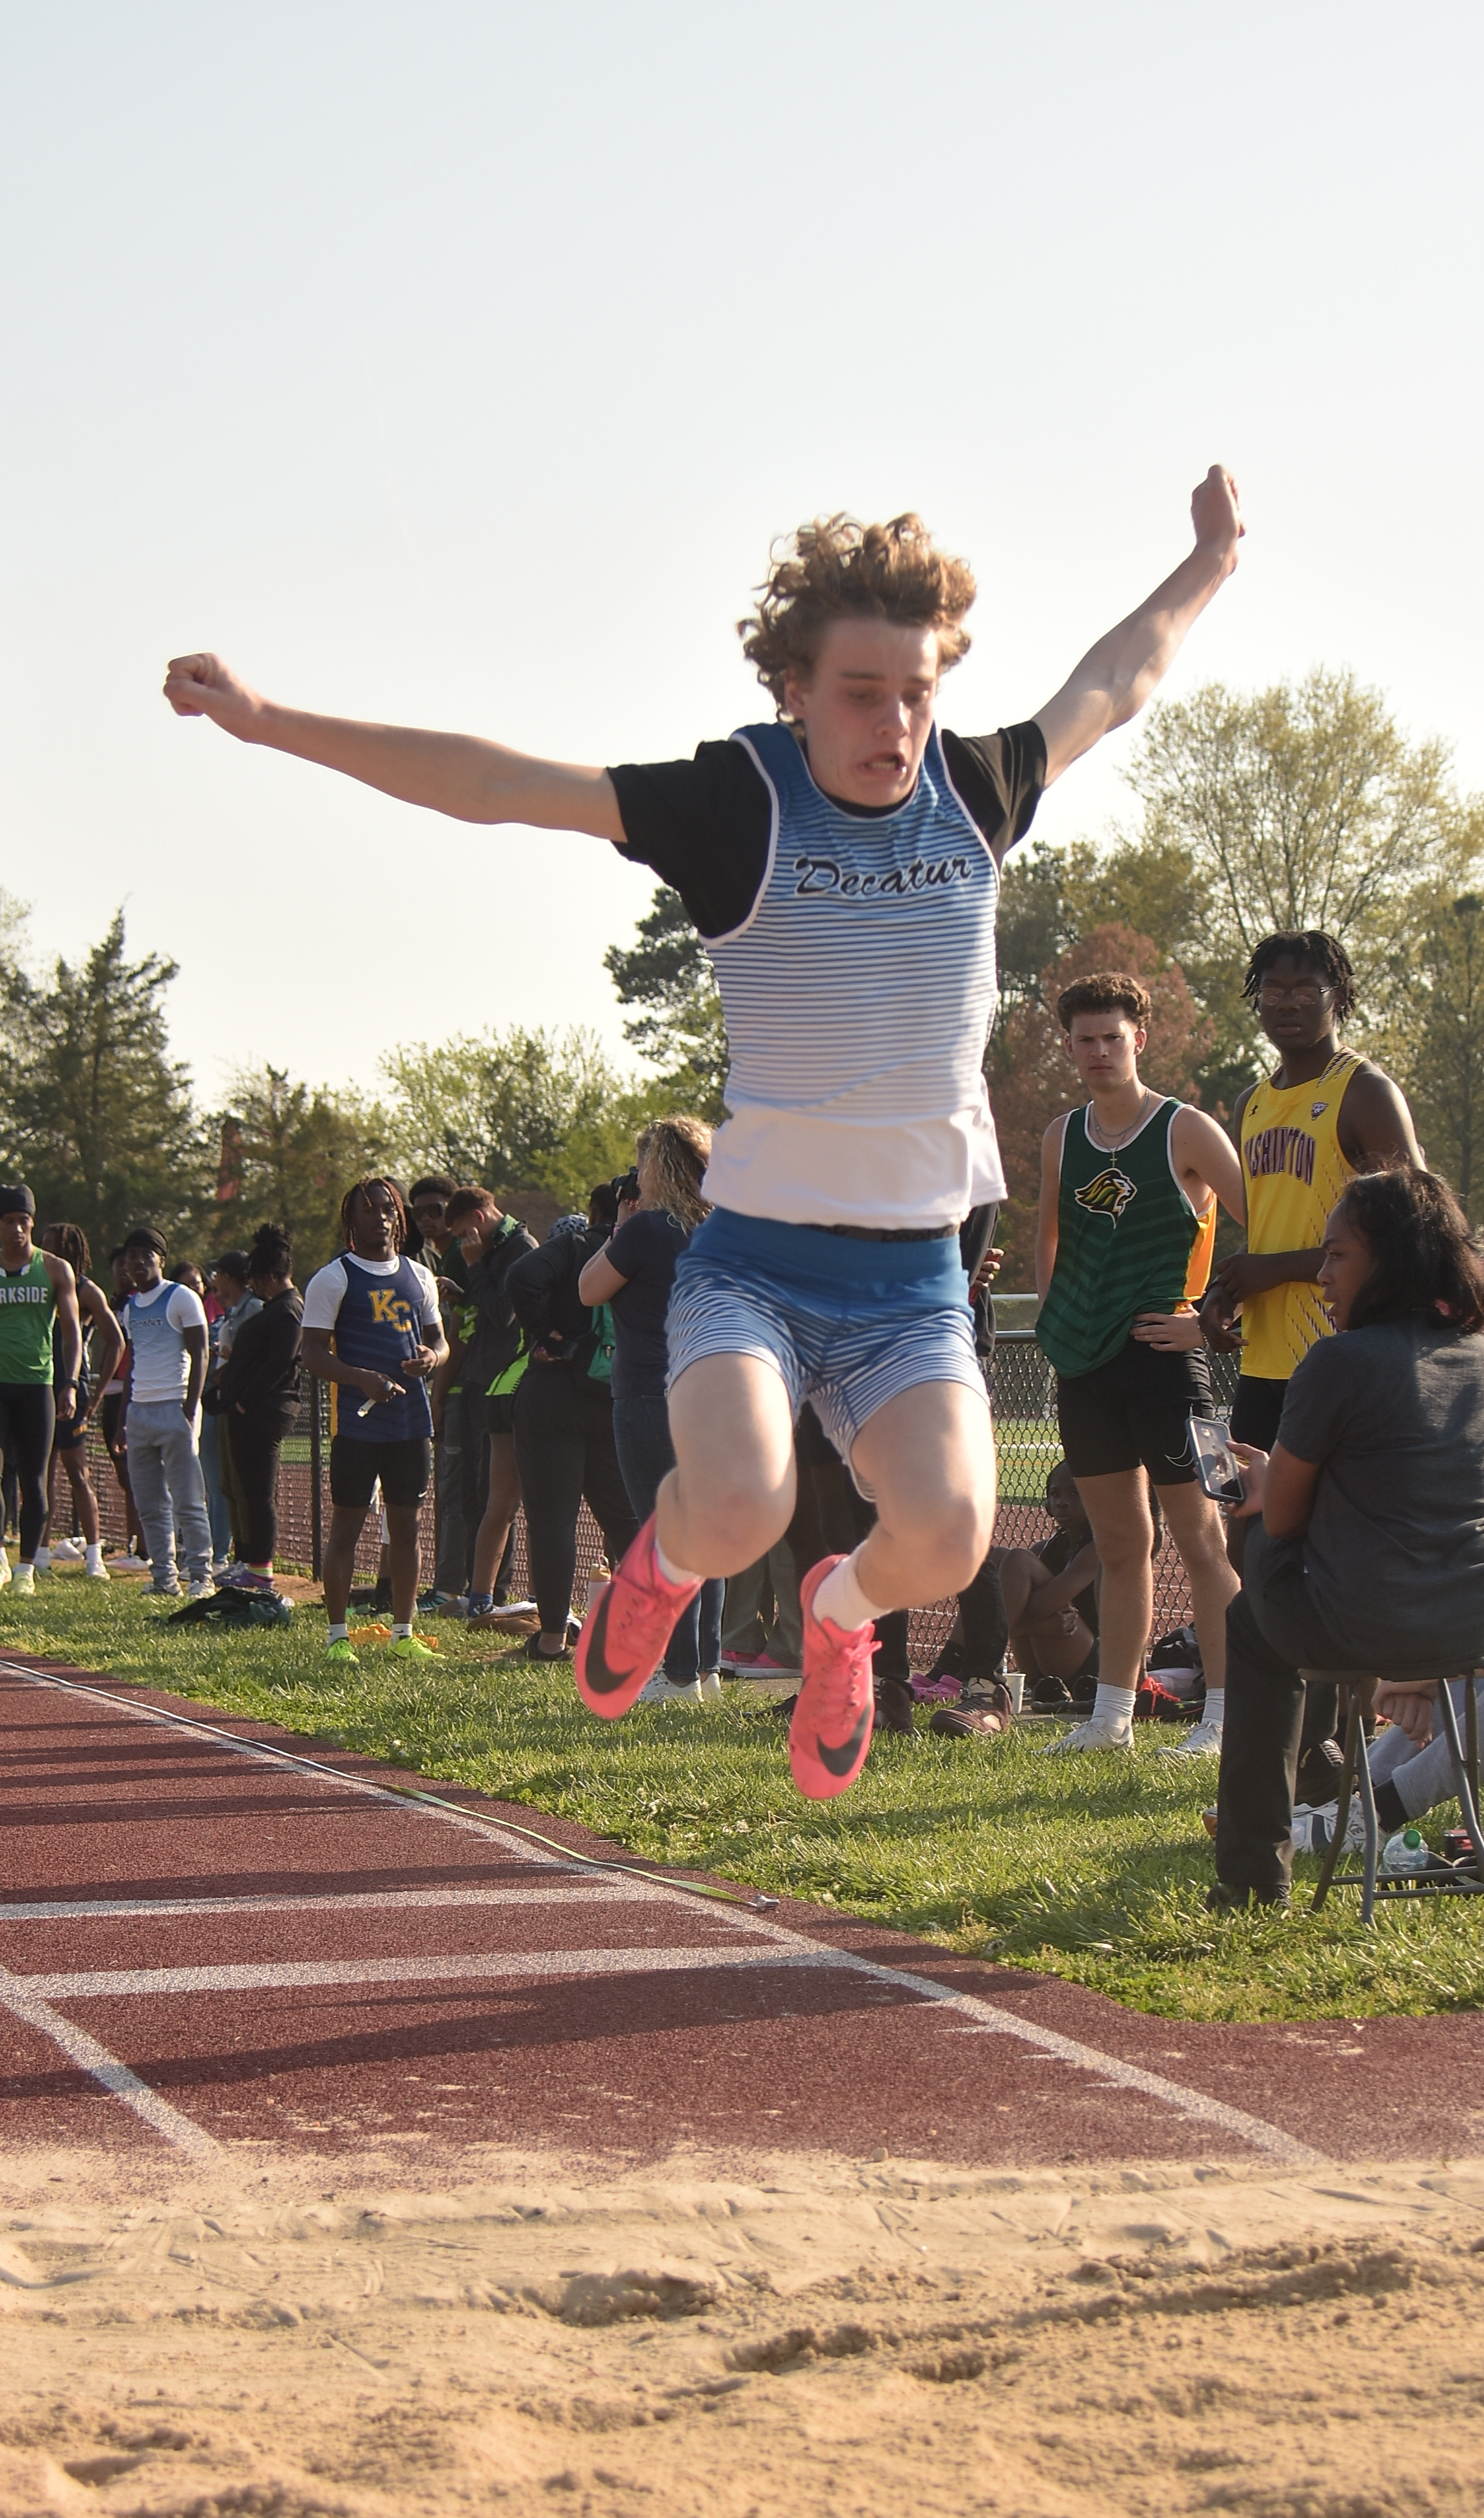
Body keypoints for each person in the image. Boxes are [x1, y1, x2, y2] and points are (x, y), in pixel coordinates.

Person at [165, 465, 1244, 1801]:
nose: (896, 722)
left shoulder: (975, 787)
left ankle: (843, 1616)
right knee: (743, 1505)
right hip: (762, 1261)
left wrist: (1210, 563)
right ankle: (662, 1570)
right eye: (861, 691)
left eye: (918, 690)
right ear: (793, 686)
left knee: (956, 1535)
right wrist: (272, 722)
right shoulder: (739, 805)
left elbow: (1118, 679)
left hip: (912, 1282)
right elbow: (496, 783)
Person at [1213, 1167, 1484, 1908]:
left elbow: (1286, 1520)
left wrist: (1269, 1481)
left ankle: (1252, 1879)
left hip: (1358, 1626)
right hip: (1471, 1634)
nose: (1322, 1276)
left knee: (1253, 1595)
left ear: (1389, 1260)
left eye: (1337, 1256)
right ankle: (1345, 1754)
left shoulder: (1337, 1360)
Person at [1198, 930, 1421, 1795]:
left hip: (1340, 1363)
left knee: (1329, 1558)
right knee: (1249, 1545)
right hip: (1263, 1362)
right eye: (1271, 987)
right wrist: (1231, 1293)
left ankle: (1335, 1752)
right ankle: (1283, 1752)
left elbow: (1410, 1230)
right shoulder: (1254, 1101)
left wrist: (1280, 1270)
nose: (1286, 1000)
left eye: (1305, 986)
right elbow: (1274, 1230)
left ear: (1339, 993)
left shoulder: (1362, 1093)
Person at [1034, 975, 1245, 1754]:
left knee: (1202, 1538)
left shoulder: (1187, 1129)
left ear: (1140, 1040)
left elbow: (1264, 1228)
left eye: (1111, 1038)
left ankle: (1224, 1717)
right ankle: (1111, 1718)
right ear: (1070, 1045)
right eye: (1084, 1039)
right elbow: (1049, 1233)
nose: (1097, 1051)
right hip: (1086, 1365)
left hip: (1169, 1364)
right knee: (1122, 1544)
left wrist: (1216, 1325)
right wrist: (1057, 1319)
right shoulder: (1062, 1133)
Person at [579, 1118, 725, 1702]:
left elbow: (589, 1288)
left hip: (649, 1392)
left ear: (659, 1169)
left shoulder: (645, 1230)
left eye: (643, 1165)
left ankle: (676, 1674)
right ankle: (706, 1669)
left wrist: (620, 1226)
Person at [299, 1177, 447, 1662]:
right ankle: (337, 1636)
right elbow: (313, 1355)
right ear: (351, 1221)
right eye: (368, 1210)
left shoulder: (420, 1276)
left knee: (407, 1528)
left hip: (410, 1421)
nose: (380, 1216)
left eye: (388, 1208)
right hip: (358, 1424)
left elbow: (440, 1342)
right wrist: (360, 1377)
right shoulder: (333, 1278)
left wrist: (433, 1358)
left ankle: (404, 1634)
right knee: (347, 1527)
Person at [505, 1189, 639, 1661]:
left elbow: (522, 1277)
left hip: (554, 1390)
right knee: (628, 1520)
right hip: (617, 1393)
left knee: (553, 1521)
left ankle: (552, 1638)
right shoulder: (655, 1248)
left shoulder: (578, 1246)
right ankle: (653, 1634)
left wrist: (549, 1332)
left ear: (596, 1213)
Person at [443, 1187, 538, 1621]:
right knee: (479, 1493)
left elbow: (505, 1314)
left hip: (510, 1383)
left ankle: (497, 1592)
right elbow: (487, 1310)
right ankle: (477, 1592)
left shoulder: (520, 1248)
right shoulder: (490, 1249)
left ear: (480, 1217)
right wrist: (464, 1294)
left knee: (503, 1496)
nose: (464, 1243)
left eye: (465, 1232)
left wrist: (476, 1268)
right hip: (483, 1379)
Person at [117, 1227, 214, 1601]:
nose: (138, 1263)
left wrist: (190, 1409)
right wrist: (125, 1418)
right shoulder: (130, 1307)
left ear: (161, 1258)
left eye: (146, 1255)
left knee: (189, 1499)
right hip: (140, 1413)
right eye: (131, 1257)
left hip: (175, 1406)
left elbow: (201, 1352)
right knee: (150, 1504)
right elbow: (133, 1364)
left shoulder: (181, 1297)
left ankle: (201, 1576)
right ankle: (164, 1578)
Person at [205, 1224, 303, 1591]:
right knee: (247, 1490)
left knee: (260, 1493)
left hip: (265, 1412)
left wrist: (245, 1401)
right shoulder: (278, 1308)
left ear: (267, 1277)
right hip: (250, 1411)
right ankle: (250, 1560)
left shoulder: (289, 1310)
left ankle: (261, 1569)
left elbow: (280, 1363)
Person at [0, 1188, 83, 1597]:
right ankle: (0, 1555)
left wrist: (69, 1384)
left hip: (38, 1386)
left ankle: (26, 1570)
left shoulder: (55, 1269)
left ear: (32, 1222)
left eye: (23, 1220)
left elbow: (71, 1332)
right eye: (7, 1220)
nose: (16, 1228)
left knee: (34, 1480)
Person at [39, 1223, 123, 1580]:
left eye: (48, 1247)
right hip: (37, 1384)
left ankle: (94, 1558)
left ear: (68, 1250)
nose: (40, 1253)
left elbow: (116, 1341)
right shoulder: (38, 1286)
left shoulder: (87, 1290)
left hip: (70, 1386)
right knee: (40, 1474)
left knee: (77, 1472)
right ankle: (38, 1554)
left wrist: (97, 1391)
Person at [203, 1249, 260, 1570]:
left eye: (218, 1274)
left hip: (242, 1406)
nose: (214, 1281)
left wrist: (230, 1356)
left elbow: (252, 1354)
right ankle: (239, 1556)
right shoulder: (234, 1311)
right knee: (227, 1485)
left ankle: (249, 1557)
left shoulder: (253, 1308)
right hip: (225, 1402)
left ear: (230, 1276)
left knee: (241, 1486)